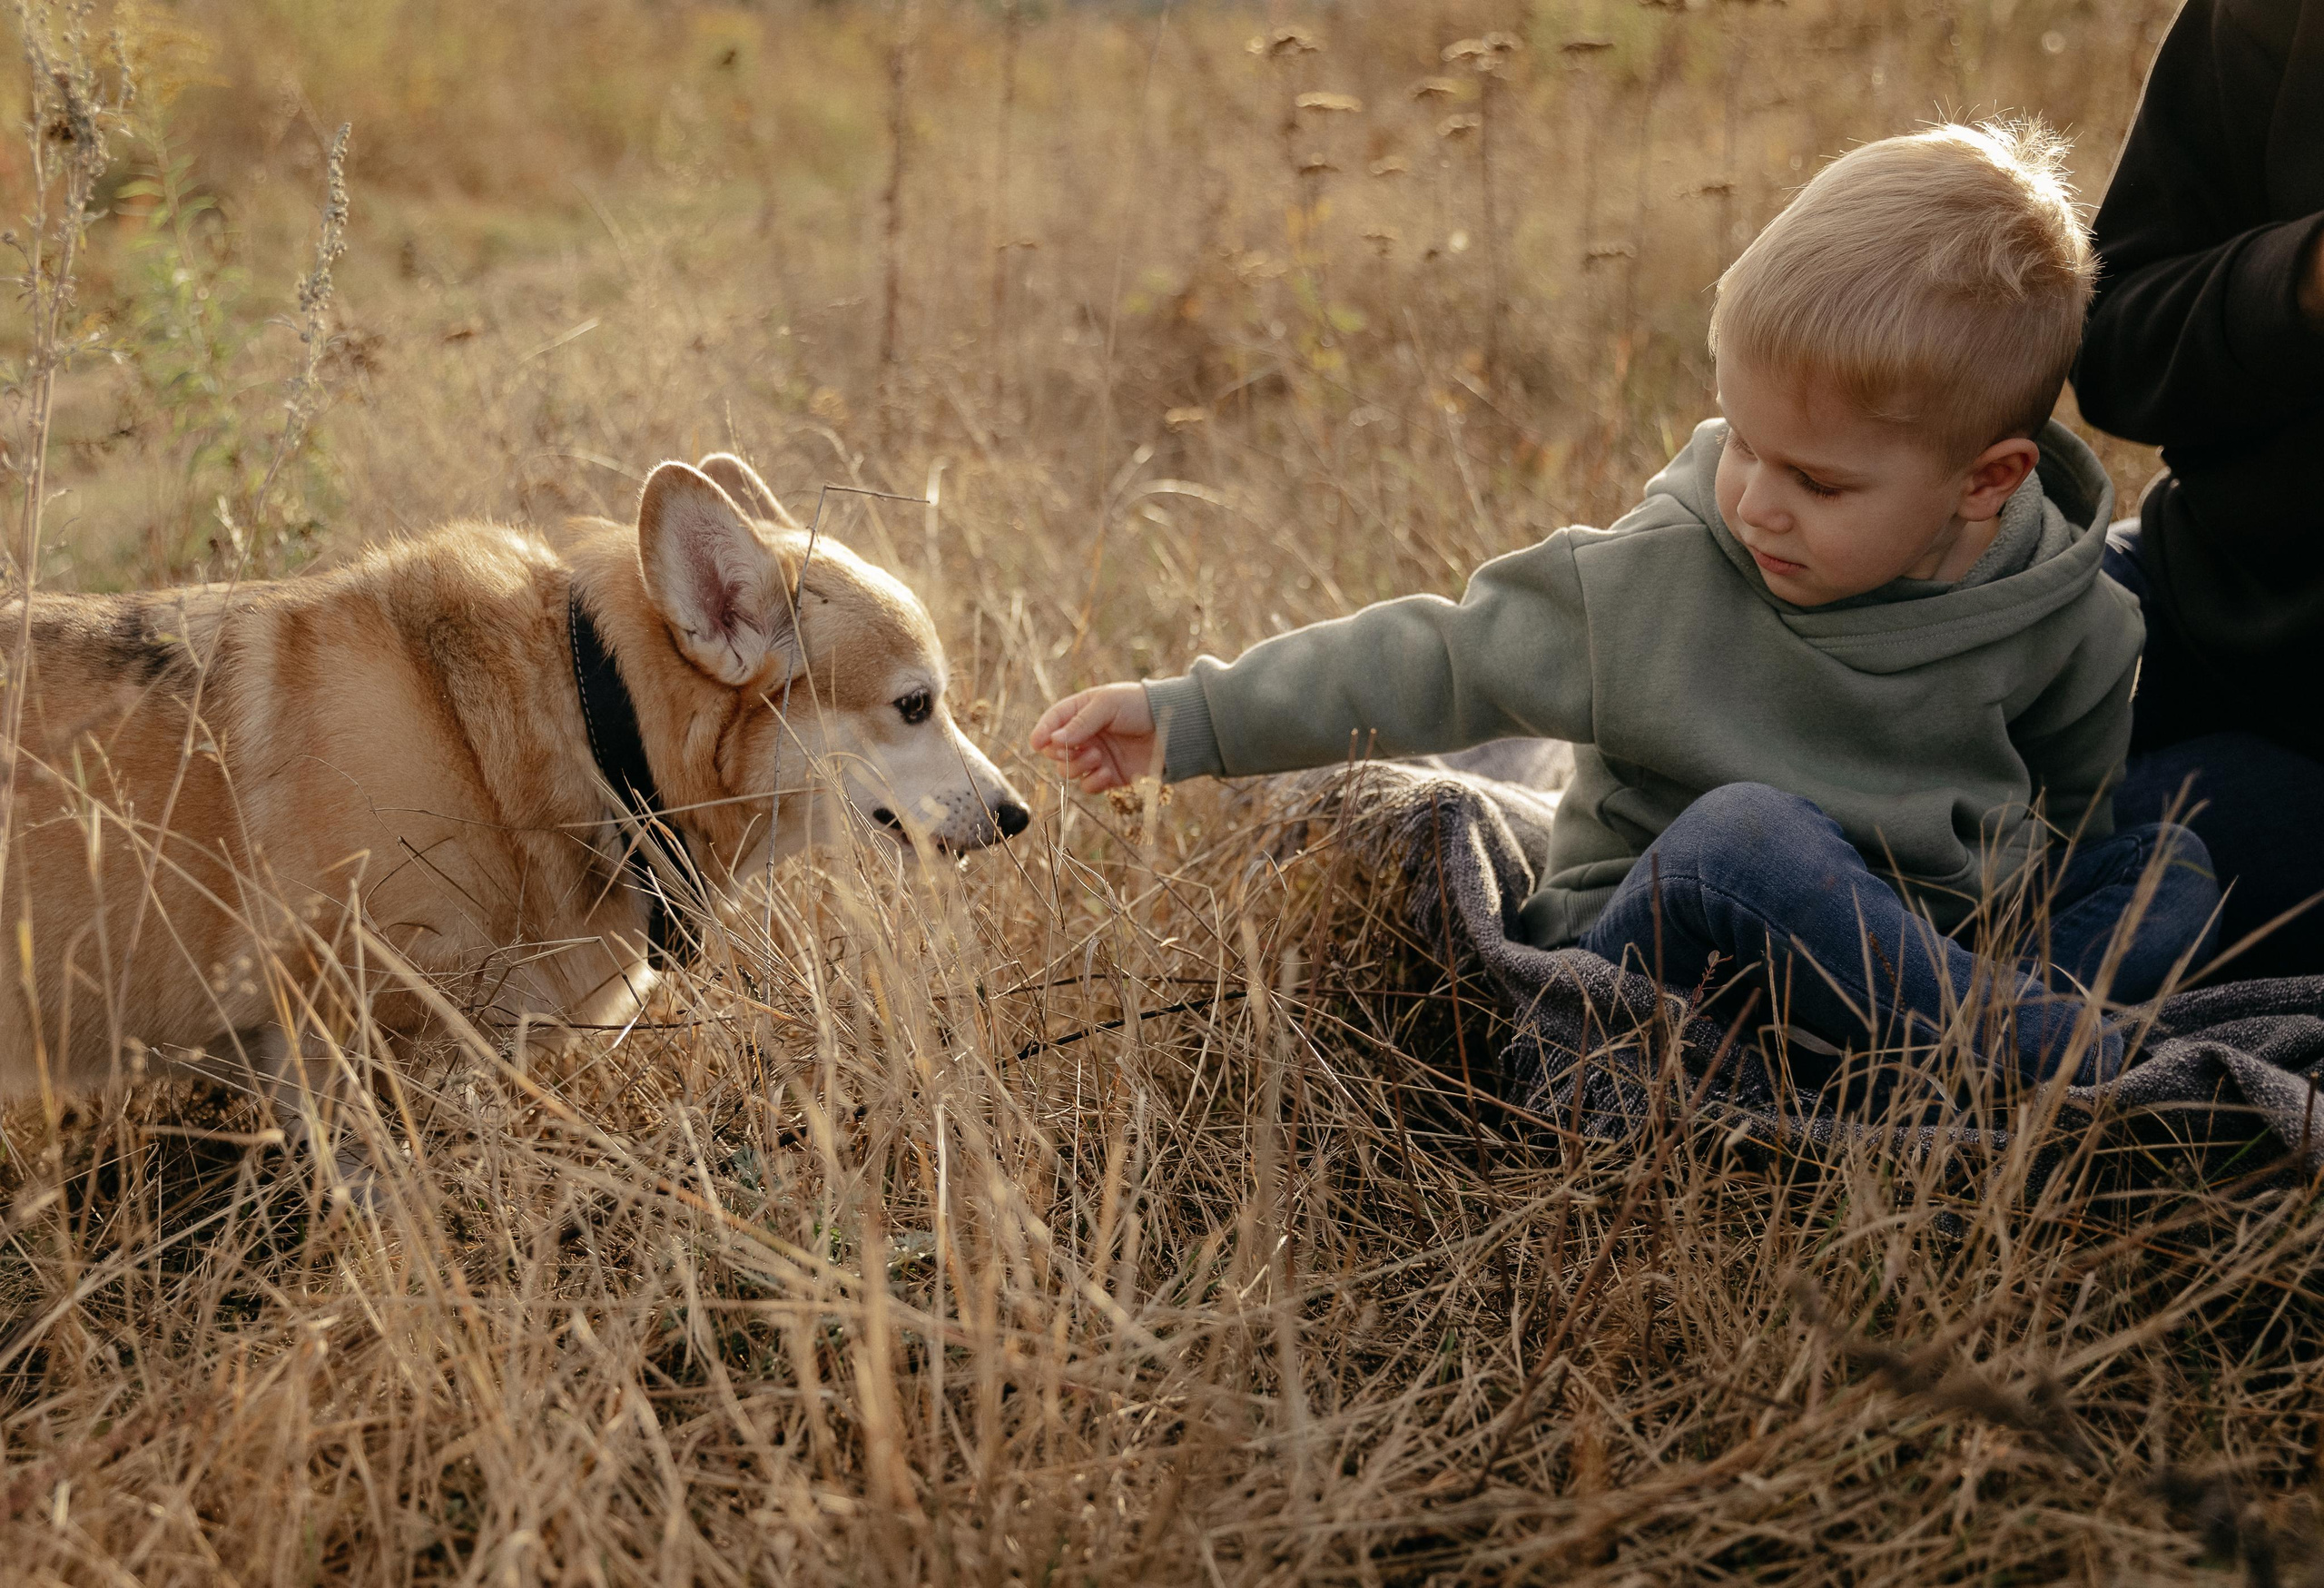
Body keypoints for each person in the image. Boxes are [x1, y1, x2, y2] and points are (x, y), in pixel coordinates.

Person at [1032, 123, 2221, 1085]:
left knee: (2169, 863)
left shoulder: (2068, 611)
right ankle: (2025, 1053)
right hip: (1665, 980)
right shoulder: (1658, 576)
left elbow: (2067, 813)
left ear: (1986, 482)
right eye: (1740, 441)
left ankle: (1969, 1041)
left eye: (1816, 482)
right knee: (1743, 836)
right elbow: (1434, 659)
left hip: (1918, 953)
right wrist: (1190, 715)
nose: (1755, 502)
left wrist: (2024, 915)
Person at [2071, 0, 2324, 981]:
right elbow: (2110, 339)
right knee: (1857, 691)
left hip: (2302, 759)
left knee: (2082, 875)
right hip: (2186, 590)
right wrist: (2297, 280)